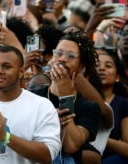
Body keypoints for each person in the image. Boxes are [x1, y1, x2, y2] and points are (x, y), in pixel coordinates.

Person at [30, 32, 101, 163]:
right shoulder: (32, 97)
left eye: (71, 56)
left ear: (80, 67)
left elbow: (70, 145)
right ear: (52, 58)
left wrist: (65, 96)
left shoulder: (90, 108)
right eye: (58, 53)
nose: (62, 59)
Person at [95, 49, 128, 160]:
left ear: (117, 77)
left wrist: (94, 136)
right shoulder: (80, 99)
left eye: (108, 66)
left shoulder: (126, 105)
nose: (102, 68)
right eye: (96, 65)